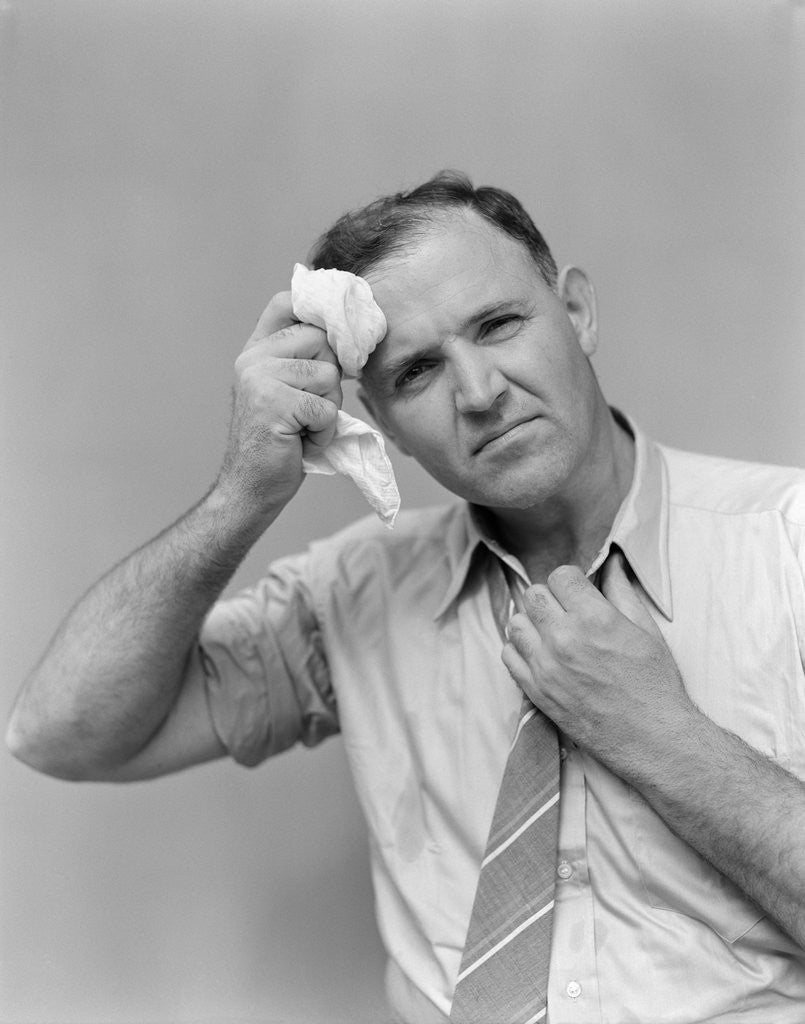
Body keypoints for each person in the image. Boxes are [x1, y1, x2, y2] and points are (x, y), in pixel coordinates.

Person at [7, 170, 805, 1023]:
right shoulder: (356, 593)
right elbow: (60, 734)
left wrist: (658, 732)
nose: (478, 392)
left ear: (576, 312)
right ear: (378, 424)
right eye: (417, 371)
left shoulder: (787, 543)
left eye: (498, 325)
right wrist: (243, 491)